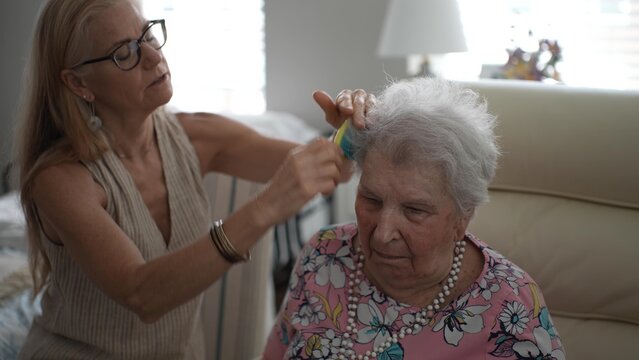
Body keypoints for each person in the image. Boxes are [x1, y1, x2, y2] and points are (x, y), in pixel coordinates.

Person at [14, 0, 375, 358]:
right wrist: (267, 206)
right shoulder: (59, 179)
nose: (154, 58)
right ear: (78, 83)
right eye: (124, 53)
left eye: (148, 35)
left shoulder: (195, 136)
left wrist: (351, 131)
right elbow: (144, 295)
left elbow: (335, 169)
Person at [262, 77, 566, 360]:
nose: (382, 234)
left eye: (414, 210)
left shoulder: (510, 306)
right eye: (371, 199)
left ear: (463, 216)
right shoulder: (323, 256)